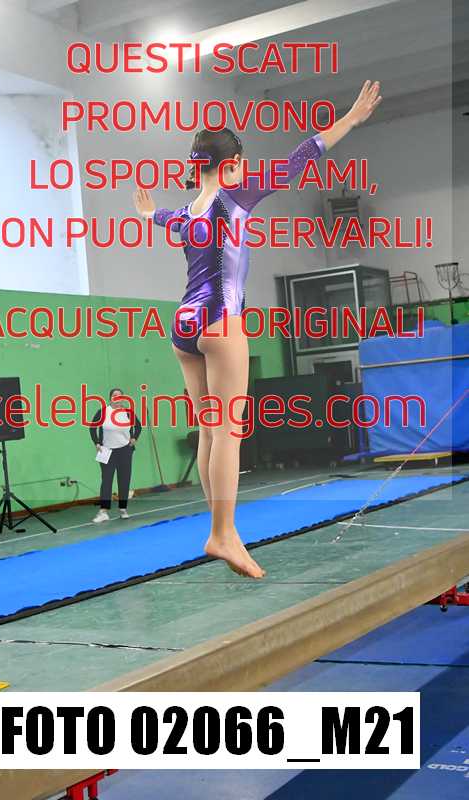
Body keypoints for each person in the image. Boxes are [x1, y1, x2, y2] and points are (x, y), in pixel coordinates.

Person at [134, 80, 382, 578]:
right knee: (229, 433)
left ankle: (219, 529)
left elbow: (164, 217)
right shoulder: (235, 193)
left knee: (210, 430)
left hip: (183, 324)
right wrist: (351, 120)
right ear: (231, 164)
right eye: (242, 163)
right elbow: (303, 155)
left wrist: (147, 213)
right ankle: (223, 533)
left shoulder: (187, 212)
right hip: (220, 319)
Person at [90, 388, 142, 522]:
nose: (117, 398)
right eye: (115, 395)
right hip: (107, 451)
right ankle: (103, 512)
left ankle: (123, 509)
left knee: (124, 480)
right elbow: (92, 427)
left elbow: (138, 426)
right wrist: (97, 443)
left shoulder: (128, 413)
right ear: (110, 398)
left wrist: (134, 438)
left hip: (125, 450)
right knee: (106, 481)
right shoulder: (103, 412)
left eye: (120, 396)